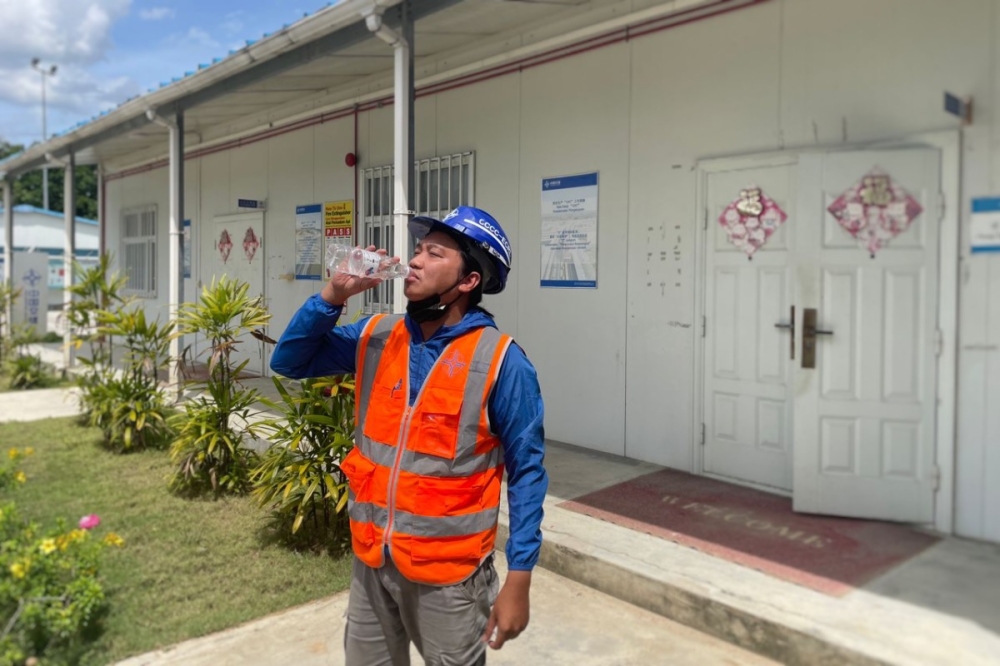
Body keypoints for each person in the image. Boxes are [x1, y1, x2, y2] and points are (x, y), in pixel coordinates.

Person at [270, 205, 548, 666]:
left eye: (434, 253)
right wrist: (333, 296)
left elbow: (528, 473)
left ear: (469, 282)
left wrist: (520, 578)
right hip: (373, 561)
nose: (415, 261)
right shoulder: (377, 335)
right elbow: (290, 362)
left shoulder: (502, 362)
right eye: (417, 250)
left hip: (450, 579)